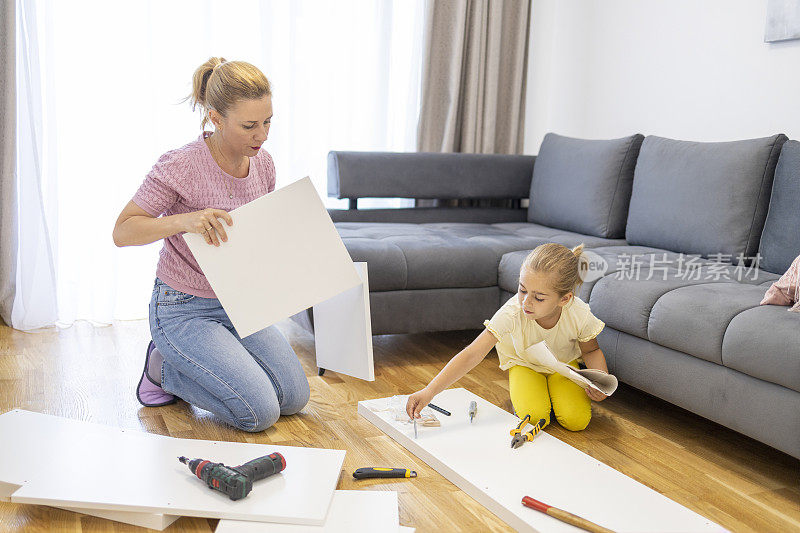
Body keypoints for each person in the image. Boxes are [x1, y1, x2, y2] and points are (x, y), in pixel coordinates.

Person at [112, 57, 310, 432]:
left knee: (294, 399)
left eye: (268, 122)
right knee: (260, 413)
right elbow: (122, 231)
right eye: (249, 125)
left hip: (239, 303)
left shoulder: (264, 164)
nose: (262, 134)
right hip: (183, 308)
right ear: (216, 119)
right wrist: (185, 221)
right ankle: (163, 368)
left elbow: (255, 239)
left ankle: (204, 362)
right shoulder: (181, 165)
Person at [406, 243, 608, 431]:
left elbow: (591, 349)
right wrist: (429, 391)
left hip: (564, 366)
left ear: (564, 299)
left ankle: (551, 396)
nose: (526, 302)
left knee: (577, 421)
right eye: (522, 290)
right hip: (525, 365)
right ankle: (532, 393)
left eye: (538, 297)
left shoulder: (578, 313)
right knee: (535, 417)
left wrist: (601, 382)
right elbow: (473, 354)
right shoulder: (513, 311)